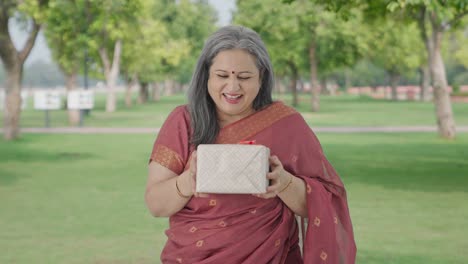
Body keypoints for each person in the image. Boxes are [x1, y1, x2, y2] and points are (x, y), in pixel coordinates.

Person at [145, 25, 356, 264]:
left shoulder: (287, 124)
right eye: (222, 76)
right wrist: (188, 180)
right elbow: (155, 204)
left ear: (262, 77)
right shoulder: (183, 121)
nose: (233, 87)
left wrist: (283, 183)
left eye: (244, 77)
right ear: (207, 76)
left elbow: (326, 201)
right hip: (193, 255)